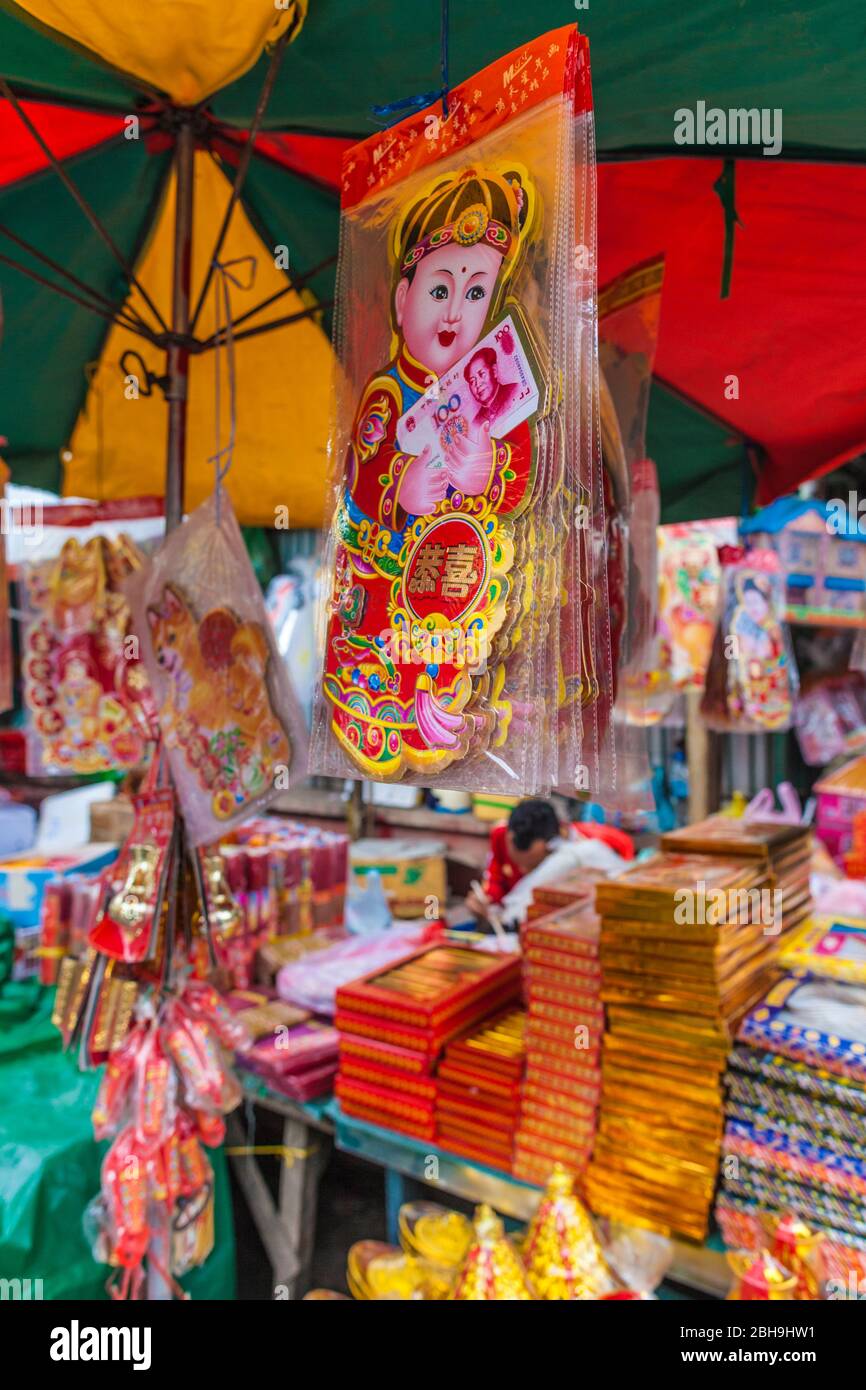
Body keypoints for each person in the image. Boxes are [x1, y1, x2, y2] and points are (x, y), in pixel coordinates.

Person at [321, 165, 537, 780]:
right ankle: (393, 710)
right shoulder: (387, 395)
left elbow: (515, 482)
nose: (454, 316)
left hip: (454, 583)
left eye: (475, 295)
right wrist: (398, 493)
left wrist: (486, 469)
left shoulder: (494, 391)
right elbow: (358, 489)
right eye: (440, 291)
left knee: (450, 663)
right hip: (388, 589)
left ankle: (440, 709)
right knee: (386, 669)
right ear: (401, 298)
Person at [466, 799, 626, 930]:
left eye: (530, 865)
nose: (523, 870)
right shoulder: (501, 836)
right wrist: (486, 904)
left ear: (550, 845)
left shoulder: (571, 854)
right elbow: (494, 882)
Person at [463, 346, 520, 429]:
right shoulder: (475, 424)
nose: (478, 384)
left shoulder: (515, 391)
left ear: (494, 371)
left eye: (482, 374)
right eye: (472, 381)